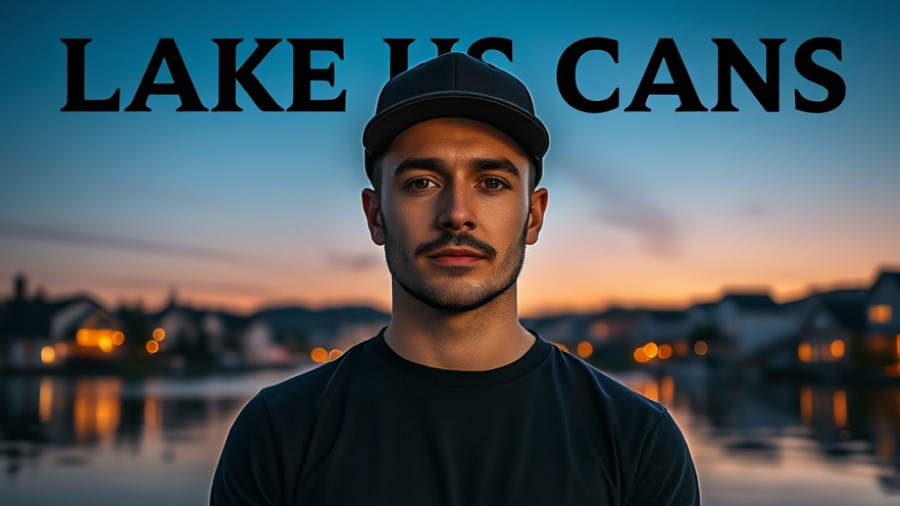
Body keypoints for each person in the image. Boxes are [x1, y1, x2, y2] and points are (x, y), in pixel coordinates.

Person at [210, 52, 701, 505]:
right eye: (422, 182)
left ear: (533, 216)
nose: (457, 214)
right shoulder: (277, 433)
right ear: (376, 215)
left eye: (492, 183)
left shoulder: (638, 440)